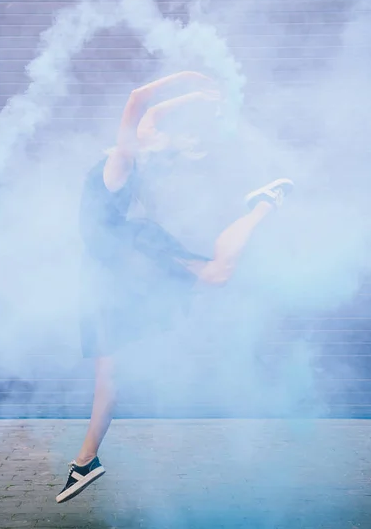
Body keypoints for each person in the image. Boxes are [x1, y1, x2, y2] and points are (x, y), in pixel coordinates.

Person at [56, 71, 293, 503]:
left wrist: (186, 78)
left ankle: (265, 203)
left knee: (217, 274)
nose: (151, 131)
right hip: (106, 276)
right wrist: (196, 95)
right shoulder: (127, 155)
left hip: (134, 255)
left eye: (150, 133)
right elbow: (151, 112)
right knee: (108, 375)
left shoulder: (120, 164)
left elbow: (137, 99)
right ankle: (87, 461)